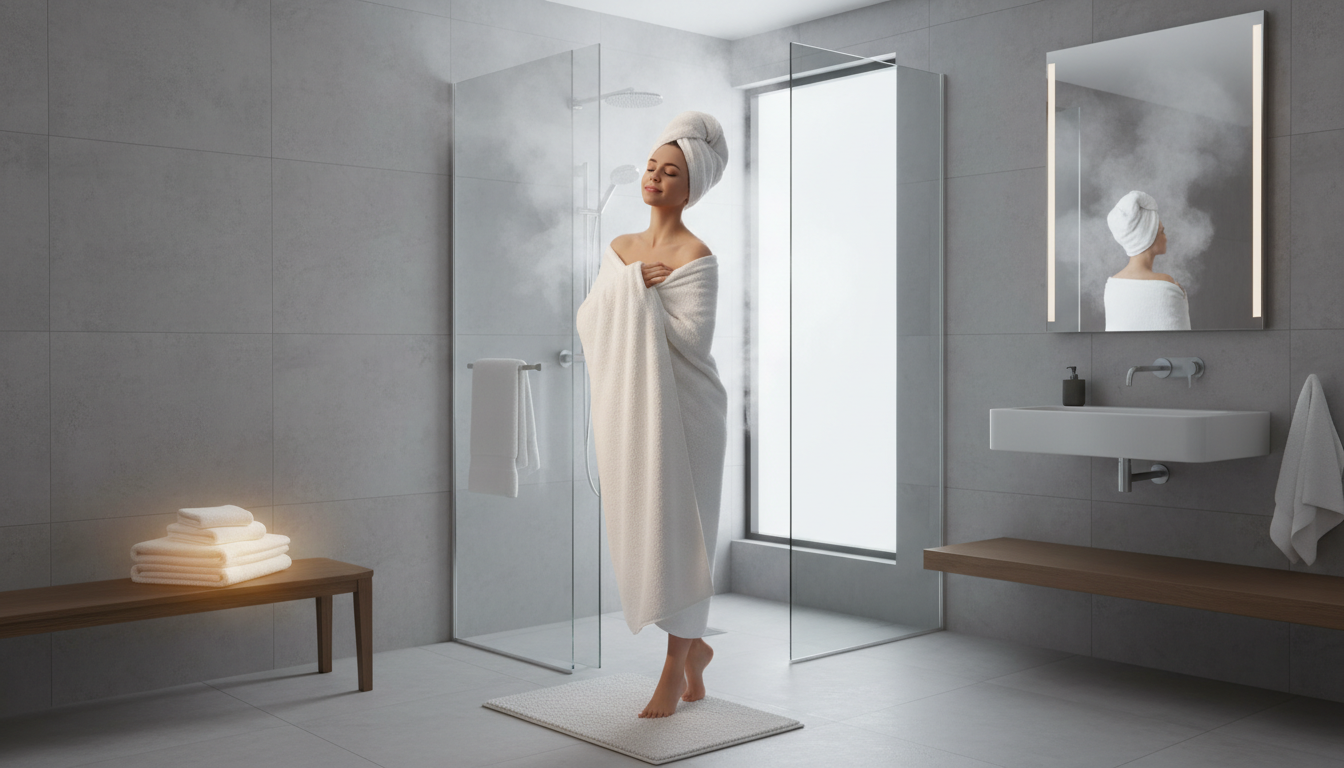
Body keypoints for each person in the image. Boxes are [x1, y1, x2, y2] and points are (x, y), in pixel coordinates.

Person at [575, 112, 730, 719]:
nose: (655, 180)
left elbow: (691, 339)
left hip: (689, 414)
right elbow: (590, 319)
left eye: (671, 173)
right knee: (650, 530)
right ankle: (694, 656)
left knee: (685, 537)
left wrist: (637, 297)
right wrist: (632, 283)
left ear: (691, 188)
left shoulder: (698, 254)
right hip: (636, 415)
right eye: (651, 169)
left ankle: (673, 667)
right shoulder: (620, 250)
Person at [1102, 190, 1191, 331]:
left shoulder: (1112, 285)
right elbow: (1180, 342)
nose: (1166, 237)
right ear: (1149, 236)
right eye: (1162, 231)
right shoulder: (1165, 282)